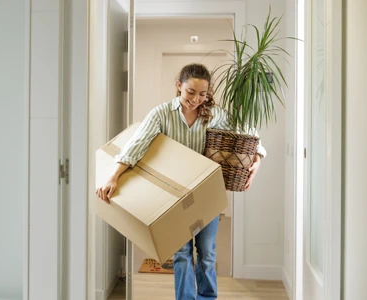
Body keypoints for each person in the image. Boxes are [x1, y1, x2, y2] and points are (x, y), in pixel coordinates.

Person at [96, 63, 267, 300]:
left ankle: (207, 297)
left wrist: (257, 159)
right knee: (182, 253)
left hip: (207, 196)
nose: (196, 99)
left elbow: (249, 134)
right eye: (191, 92)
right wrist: (113, 176)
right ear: (179, 86)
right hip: (175, 199)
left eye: (202, 94)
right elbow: (136, 144)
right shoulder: (161, 113)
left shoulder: (215, 114)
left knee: (207, 252)